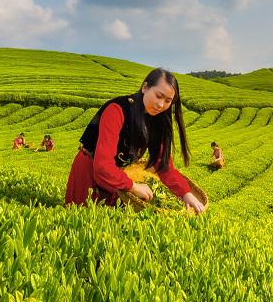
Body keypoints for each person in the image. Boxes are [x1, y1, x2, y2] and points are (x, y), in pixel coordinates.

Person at [65, 68, 206, 215]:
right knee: (81, 218)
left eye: (168, 101)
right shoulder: (117, 110)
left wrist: (185, 193)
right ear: (145, 88)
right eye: (158, 96)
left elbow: (163, 165)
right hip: (89, 172)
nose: (161, 105)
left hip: (118, 178)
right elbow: (102, 165)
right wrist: (133, 186)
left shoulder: (156, 120)